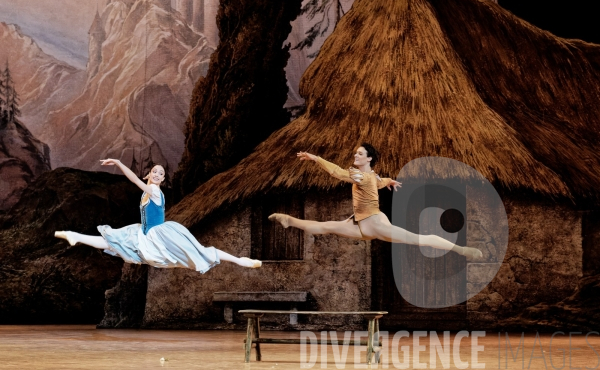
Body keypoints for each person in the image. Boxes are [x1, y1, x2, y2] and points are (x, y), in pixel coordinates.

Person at [269, 144, 483, 260]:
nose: (356, 155)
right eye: (356, 152)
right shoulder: (371, 176)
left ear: (369, 159)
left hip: (374, 224)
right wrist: (389, 181)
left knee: (419, 239)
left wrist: (316, 159)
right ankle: (289, 220)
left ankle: (461, 250)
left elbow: (337, 172)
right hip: (360, 224)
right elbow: (379, 182)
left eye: (360, 153)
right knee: (326, 227)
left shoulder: (361, 176)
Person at [55, 159, 261, 272]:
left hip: (159, 234)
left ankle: (241, 261)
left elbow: (135, 181)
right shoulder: (147, 192)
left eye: (161, 173)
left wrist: (118, 163)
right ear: (149, 174)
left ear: (162, 179)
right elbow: (140, 184)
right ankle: (75, 236)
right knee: (112, 242)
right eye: (154, 171)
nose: (157, 174)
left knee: (201, 252)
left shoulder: (153, 191)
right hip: (144, 232)